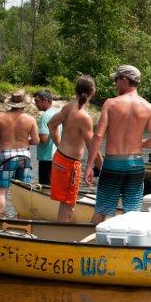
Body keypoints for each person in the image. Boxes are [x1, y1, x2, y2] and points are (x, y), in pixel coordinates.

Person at [86, 65, 151, 223]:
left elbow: (98, 136)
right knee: (132, 213)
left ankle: (93, 245)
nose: (115, 84)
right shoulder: (149, 108)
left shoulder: (111, 104)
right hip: (136, 164)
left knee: (102, 211)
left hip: (113, 164)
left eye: (116, 80)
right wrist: (139, 142)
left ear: (125, 81)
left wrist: (89, 165)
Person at [47, 76, 103, 223]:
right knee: (69, 206)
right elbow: (93, 147)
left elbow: (51, 125)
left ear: (76, 90)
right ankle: (63, 239)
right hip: (69, 164)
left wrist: (60, 145)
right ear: (92, 92)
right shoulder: (84, 116)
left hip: (59, 158)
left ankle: (61, 234)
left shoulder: (68, 107)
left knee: (64, 203)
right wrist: (103, 167)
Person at [0, 91, 38, 216]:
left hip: (7, 157)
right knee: (24, 191)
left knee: (2, 191)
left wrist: (2, 137)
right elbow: (36, 141)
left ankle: (0, 219)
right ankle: (22, 219)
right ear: (24, 104)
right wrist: (25, 140)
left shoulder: (0, 117)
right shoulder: (30, 119)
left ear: (10, 103)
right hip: (24, 157)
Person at [34, 90, 59, 185]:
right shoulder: (57, 113)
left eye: (37, 101)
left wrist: (30, 137)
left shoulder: (45, 115)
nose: (35, 104)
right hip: (57, 156)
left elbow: (43, 139)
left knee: (45, 188)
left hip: (46, 158)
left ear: (45, 100)